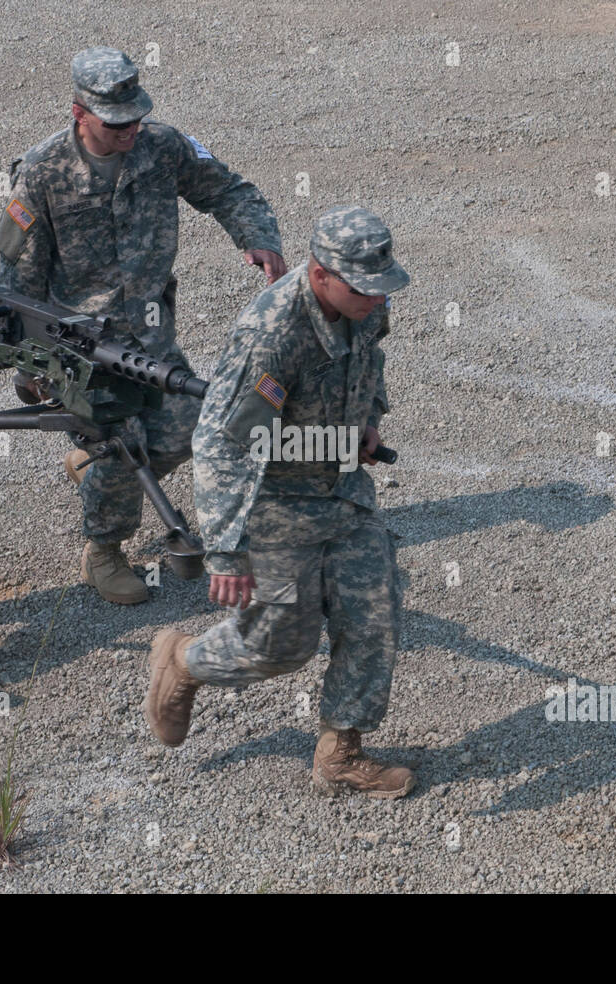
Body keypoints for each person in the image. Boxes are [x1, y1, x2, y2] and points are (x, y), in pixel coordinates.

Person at [0, 46, 285, 605]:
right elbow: (17, 280)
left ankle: (95, 465)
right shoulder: (41, 174)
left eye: (135, 116)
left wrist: (257, 236)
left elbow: (228, 189)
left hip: (150, 335)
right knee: (121, 446)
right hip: (78, 345)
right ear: (79, 112)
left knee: (194, 428)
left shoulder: (163, 147)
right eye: (115, 120)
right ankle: (102, 551)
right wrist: (26, 364)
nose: (130, 128)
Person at [144, 206, 415, 798]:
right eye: (362, 289)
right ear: (320, 275)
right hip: (275, 505)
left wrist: (369, 418)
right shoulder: (270, 335)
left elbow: (372, 358)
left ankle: (342, 751)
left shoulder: (367, 300)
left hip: (342, 490)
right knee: (280, 644)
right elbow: (221, 442)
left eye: (380, 286)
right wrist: (227, 552)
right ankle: (184, 660)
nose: (376, 298)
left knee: (375, 615)